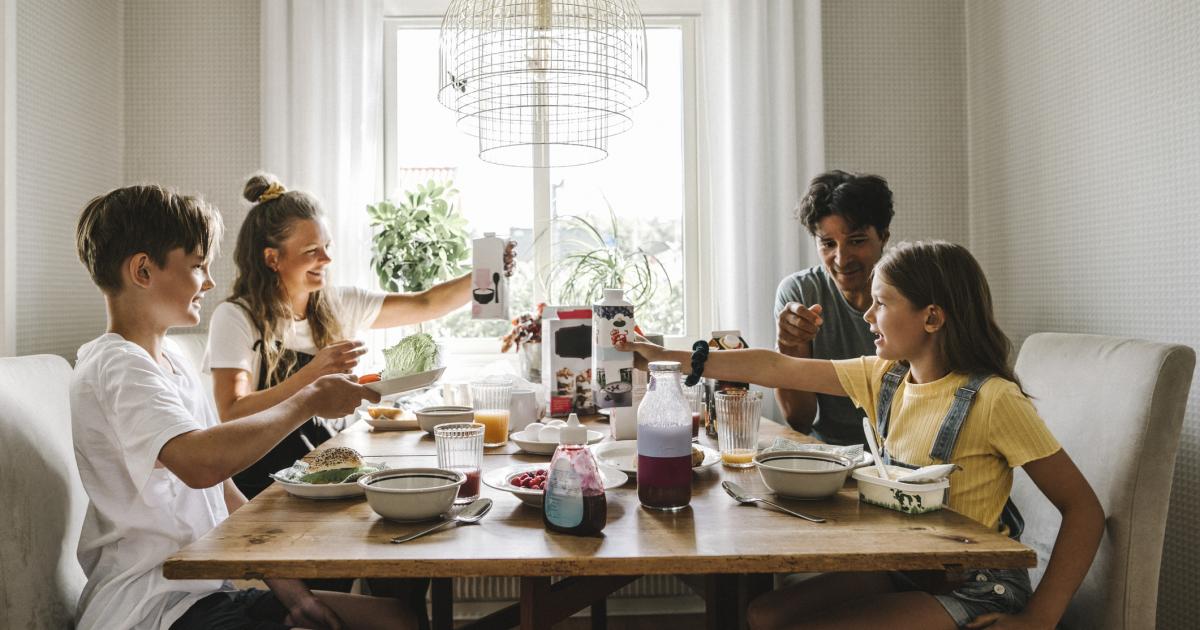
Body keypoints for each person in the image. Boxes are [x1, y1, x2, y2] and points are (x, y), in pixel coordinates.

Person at [621, 241, 1105, 630]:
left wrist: (1040, 618)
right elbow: (775, 365)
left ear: (931, 318)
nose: (868, 317)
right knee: (763, 614)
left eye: (881, 304)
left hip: (971, 585)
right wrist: (666, 359)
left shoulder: (994, 399)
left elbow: (1084, 510)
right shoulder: (885, 376)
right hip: (903, 568)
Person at [71, 184, 415, 630]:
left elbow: (223, 493)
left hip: (209, 593)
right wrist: (309, 397)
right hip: (152, 606)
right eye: (197, 267)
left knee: (397, 618)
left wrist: (296, 596)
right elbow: (200, 465)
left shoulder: (170, 362)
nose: (209, 282)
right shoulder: (116, 365)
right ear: (142, 270)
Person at [207, 173, 515, 498]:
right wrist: (311, 377)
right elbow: (232, 412)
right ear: (273, 258)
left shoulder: (340, 303)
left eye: (327, 247)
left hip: (333, 476)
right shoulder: (236, 317)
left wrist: (487, 271)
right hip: (266, 487)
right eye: (312, 250)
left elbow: (425, 303)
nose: (326, 259)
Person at [774, 170, 893, 445]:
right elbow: (799, 419)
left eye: (856, 240)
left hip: (899, 455)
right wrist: (788, 345)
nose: (841, 258)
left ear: (883, 236)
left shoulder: (911, 289)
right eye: (828, 243)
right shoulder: (801, 293)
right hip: (828, 455)